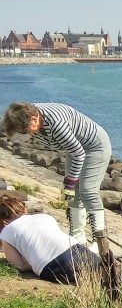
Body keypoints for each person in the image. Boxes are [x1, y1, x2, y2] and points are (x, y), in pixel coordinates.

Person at [2, 102, 113, 257]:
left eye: (25, 129)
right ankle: (77, 237)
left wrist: (70, 181)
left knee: (88, 190)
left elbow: (79, 153)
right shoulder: (24, 113)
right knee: (73, 194)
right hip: (74, 149)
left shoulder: (56, 124)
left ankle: (99, 242)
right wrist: (70, 185)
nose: (25, 133)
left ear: (34, 119)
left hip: (94, 146)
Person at [0, 195, 100, 284]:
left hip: (55, 267)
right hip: (79, 252)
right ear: (24, 210)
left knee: (73, 275)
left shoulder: (6, 232)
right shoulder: (45, 217)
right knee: (97, 270)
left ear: (4, 222)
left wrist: (33, 264)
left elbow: (18, 266)